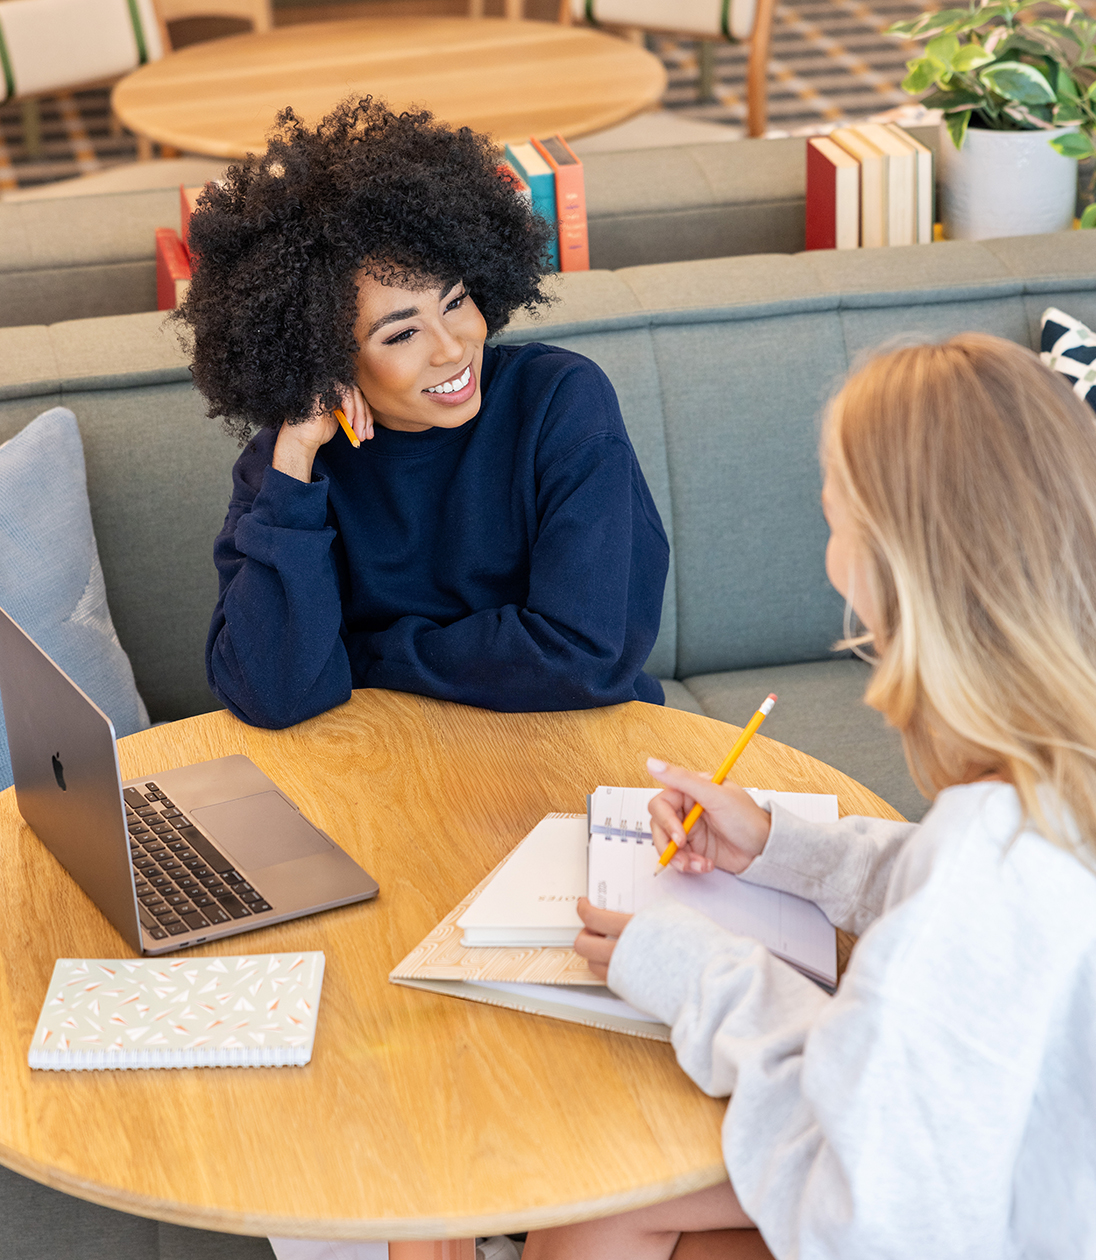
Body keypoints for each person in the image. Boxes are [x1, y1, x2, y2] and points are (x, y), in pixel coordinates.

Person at [525, 334, 1096, 1259]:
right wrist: (784, 848)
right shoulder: (1051, 778)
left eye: (833, 516)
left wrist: (698, 974)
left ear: (888, 563)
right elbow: (962, 891)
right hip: (1016, 1181)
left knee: (592, 1203)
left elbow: (868, 1221)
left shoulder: (987, 879)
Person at [178, 98, 668, 729]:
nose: (453, 347)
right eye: (400, 335)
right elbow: (270, 692)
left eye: (456, 300)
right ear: (325, 356)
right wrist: (296, 460)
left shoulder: (560, 402)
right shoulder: (286, 468)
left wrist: (359, 655)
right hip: (391, 767)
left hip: (573, 746)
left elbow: (583, 656)